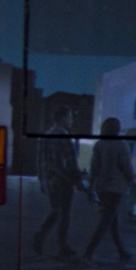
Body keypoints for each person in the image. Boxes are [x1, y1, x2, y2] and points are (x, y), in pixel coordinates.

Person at [83, 118, 136, 263]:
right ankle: (88, 252)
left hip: (101, 188)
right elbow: (127, 167)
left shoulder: (99, 145)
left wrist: (90, 189)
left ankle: (121, 252)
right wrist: (135, 186)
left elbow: (94, 168)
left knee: (112, 221)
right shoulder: (122, 145)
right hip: (117, 189)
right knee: (106, 221)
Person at [33, 105, 84, 258]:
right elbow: (71, 163)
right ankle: (62, 246)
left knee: (56, 211)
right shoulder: (64, 136)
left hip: (50, 182)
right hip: (63, 182)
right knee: (64, 215)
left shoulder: (46, 135)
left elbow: (40, 161)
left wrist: (43, 181)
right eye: (70, 117)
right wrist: (79, 180)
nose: (71, 120)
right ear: (62, 118)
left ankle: (41, 235)